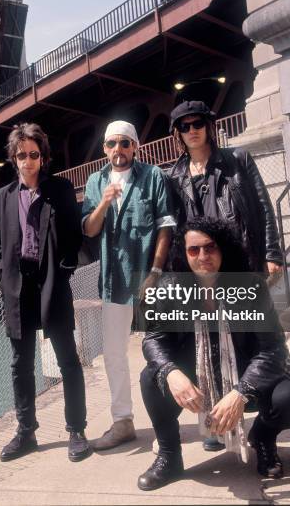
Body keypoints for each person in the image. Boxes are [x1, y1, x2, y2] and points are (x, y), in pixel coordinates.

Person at [167, 98, 290, 475]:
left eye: (198, 122)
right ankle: (220, 420)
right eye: (185, 125)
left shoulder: (237, 161)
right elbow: (175, 231)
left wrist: (272, 251)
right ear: (178, 134)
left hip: (242, 269)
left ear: (209, 126)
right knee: (211, 349)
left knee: (276, 354)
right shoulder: (175, 176)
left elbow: (262, 206)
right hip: (203, 272)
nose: (192, 129)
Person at [138, 217, 290, 490]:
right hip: (196, 381)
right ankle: (170, 455)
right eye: (194, 250)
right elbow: (153, 338)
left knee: (289, 397)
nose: (203, 256)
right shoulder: (168, 288)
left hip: (244, 379)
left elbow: (273, 348)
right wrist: (171, 371)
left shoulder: (250, 287)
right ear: (184, 253)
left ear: (223, 249)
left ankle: (262, 439)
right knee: (150, 378)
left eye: (210, 247)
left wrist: (242, 391)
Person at [0, 123, 91, 463]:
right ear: (13, 159)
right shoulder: (2, 198)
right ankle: (26, 431)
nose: (28, 161)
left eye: (34, 154)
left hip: (52, 283)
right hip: (17, 287)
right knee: (21, 364)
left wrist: (65, 271)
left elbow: (76, 237)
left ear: (43, 157)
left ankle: (76, 430)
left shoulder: (59, 190)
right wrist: (2, 275)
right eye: (22, 155)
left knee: (68, 360)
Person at [82, 121, 175, 450]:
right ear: (104, 149)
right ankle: (123, 421)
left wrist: (156, 270)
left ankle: (169, 425)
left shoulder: (154, 177)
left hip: (149, 278)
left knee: (165, 350)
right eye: (111, 144)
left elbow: (165, 225)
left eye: (124, 143)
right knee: (114, 354)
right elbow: (90, 229)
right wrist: (105, 202)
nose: (117, 150)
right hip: (113, 282)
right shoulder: (96, 182)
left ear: (135, 146)